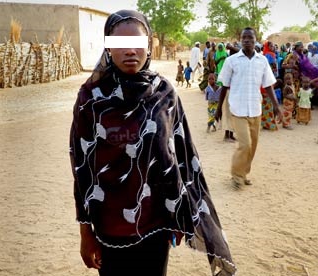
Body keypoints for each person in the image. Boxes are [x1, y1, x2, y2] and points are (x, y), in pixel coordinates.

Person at [69, 10, 236, 276]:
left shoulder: (164, 93)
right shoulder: (91, 98)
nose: (130, 51)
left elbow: (181, 157)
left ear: (149, 46)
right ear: (108, 48)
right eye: (120, 45)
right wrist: (85, 232)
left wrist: (178, 215)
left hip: (156, 224)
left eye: (138, 43)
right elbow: (82, 169)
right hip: (109, 227)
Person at [215, 27, 283, 188]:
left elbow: (268, 85)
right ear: (240, 40)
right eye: (243, 37)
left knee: (253, 146)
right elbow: (224, 85)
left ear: (255, 40)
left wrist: (276, 106)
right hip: (237, 109)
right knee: (244, 144)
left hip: (255, 108)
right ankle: (237, 175)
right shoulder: (232, 61)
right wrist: (218, 109)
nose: (246, 40)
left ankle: (244, 173)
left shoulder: (262, 61)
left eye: (250, 38)